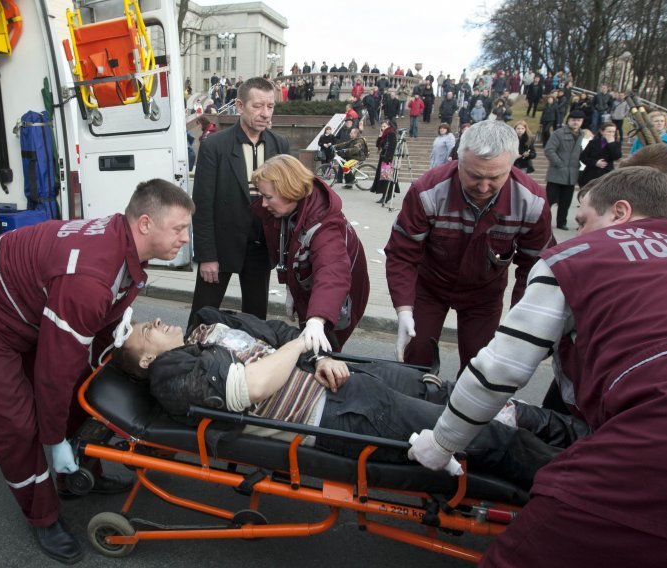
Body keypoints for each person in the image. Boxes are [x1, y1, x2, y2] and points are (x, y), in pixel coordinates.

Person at [409, 166, 667, 566]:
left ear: (620, 213)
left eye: (585, 221)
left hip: (655, 441)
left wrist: (442, 443)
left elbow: (498, 370)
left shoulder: (578, 258)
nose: (580, 233)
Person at [0, 180, 195, 564]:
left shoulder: (125, 249)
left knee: (81, 381)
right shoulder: (90, 279)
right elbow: (54, 373)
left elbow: (96, 343)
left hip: (19, 308)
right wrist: (53, 439)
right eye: (178, 229)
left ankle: (79, 477)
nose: (185, 239)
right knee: (19, 424)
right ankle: (42, 516)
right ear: (144, 224)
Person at [113, 307, 586, 489]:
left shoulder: (206, 325)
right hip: (340, 412)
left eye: (146, 320)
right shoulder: (172, 373)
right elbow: (251, 387)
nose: (153, 323)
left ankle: (584, 437)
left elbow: (279, 332)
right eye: (141, 333)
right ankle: (585, 488)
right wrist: (303, 348)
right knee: (485, 435)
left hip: (343, 380)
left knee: (467, 396)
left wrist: (313, 356)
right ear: (147, 362)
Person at [385, 120, 553, 370]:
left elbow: (536, 269)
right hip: (429, 287)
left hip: (485, 296)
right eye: (474, 176)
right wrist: (404, 309)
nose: (484, 187)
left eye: (495, 177)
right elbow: (402, 254)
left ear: (512, 164)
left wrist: (522, 324)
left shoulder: (532, 203)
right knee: (416, 358)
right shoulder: (427, 192)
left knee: (480, 367)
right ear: (458, 160)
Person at [190, 77, 290, 328]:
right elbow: (201, 205)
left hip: (260, 249)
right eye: (258, 106)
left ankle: (254, 365)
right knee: (201, 318)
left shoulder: (281, 145)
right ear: (239, 106)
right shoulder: (214, 145)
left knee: (256, 324)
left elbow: (291, 199)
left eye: (270, 106)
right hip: (220, 248)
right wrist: (206, 256)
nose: (265, 113)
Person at [250, 155, 369, 351]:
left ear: (290, 192)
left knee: (323, 350)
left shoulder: (324, 225)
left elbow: (332, 273)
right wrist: (290, 286)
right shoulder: (292, 208)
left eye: (268, 197)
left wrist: (317, 318)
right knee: (310, 344)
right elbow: (287, 249)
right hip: (313, 288)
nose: (263, 204)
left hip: (338, 299)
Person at [544, 108, 585, 230]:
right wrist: (560, 164)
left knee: (565, 202)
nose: (575, 122)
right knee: (548, 201)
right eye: (573, 120)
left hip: (572, 175)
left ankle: (561, 222)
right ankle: (542, 221)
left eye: (578, 120)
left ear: (582, 122)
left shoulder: (583, 135)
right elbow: (549, 150)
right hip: (557, 173)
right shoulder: (559, 133)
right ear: (568, 120)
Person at [578, 122, 621, 187]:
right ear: (602, 132)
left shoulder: (616, 144)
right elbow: (583, 157)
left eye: (613, 132)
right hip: (591, 175)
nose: (611, 134)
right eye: (609, 131)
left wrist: (611, 144)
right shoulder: (593, 142)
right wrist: (595, 162)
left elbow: (616, 157)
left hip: (606, 176)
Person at [370, 119, 398, 203]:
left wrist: (388, 158)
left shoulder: (391, 133)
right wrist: (380, 135)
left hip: (387, 158)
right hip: (383, 157)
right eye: (382, 126)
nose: (382, 128)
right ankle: (387, 194)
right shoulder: (385, 134)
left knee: (385, 177)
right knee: (384, 177)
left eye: (384, 126)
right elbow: (378, 145)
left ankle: (386, 195)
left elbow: (392, 146)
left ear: (389, 126)